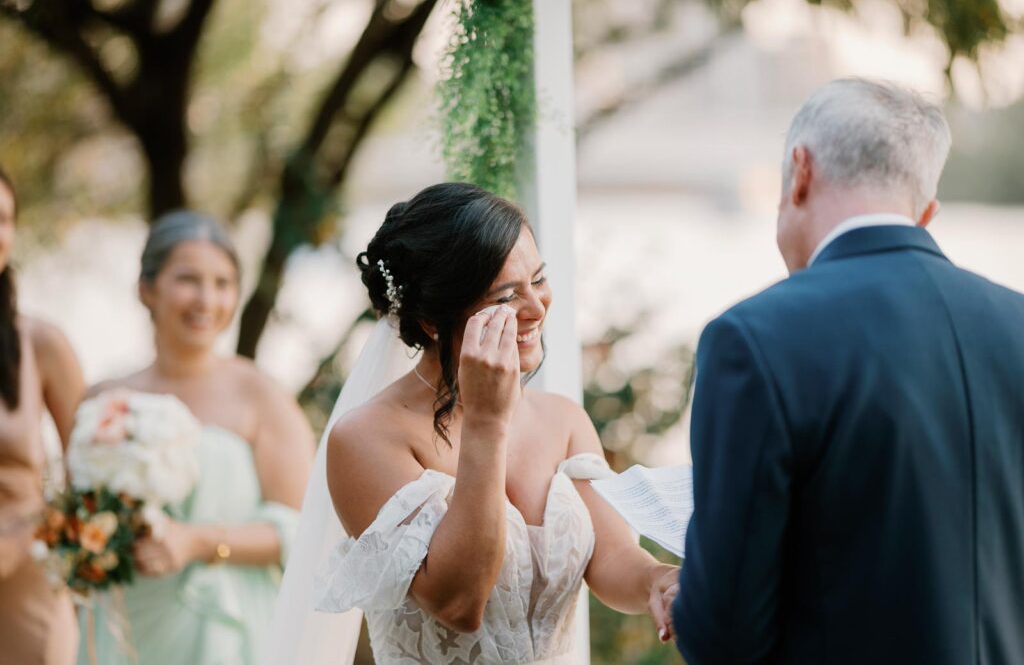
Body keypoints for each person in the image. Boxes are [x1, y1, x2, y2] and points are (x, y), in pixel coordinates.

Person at [671, 78, 1024, 664]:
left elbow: (723, 635)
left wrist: (691, 599)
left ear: (800, 171)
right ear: (926, 212)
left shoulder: (755, 340)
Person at [267, 182, 678, 664]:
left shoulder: (562, 419)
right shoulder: (365, 439)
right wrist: (487, 423)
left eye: (539, 279)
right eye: (505, 297)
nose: (537, 307)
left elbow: (612, 560)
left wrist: (657, 580)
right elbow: (458, 603)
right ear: (432, 322)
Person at [77, 210, 314, 665]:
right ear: (147, 289)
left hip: (222, 630)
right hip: (121, 622)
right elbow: (80, 516)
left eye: (223, 283)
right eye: (188, 279)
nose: (207, 299)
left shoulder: (261, 395)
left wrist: (199, 541)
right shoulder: (103, 400)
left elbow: (302, 532)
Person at [0, 167, 85, 664]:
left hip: (26, 582)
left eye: (5, 218)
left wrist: (28, 537)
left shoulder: (41, 344)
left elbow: (92, 486)